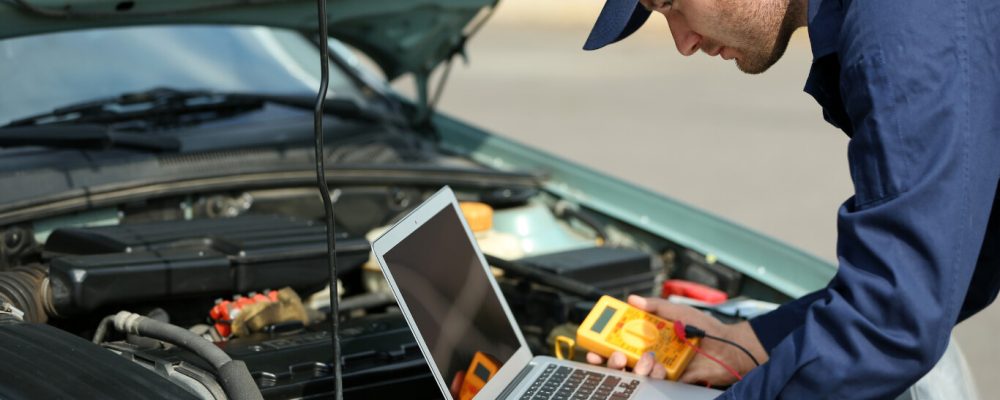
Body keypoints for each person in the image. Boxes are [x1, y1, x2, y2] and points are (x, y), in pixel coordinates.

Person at [580, 0, 999, 398]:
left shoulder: (902, 31)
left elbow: (889, 321)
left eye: (670, 3)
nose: (683, 43)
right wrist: (742, 342)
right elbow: (965, 260)